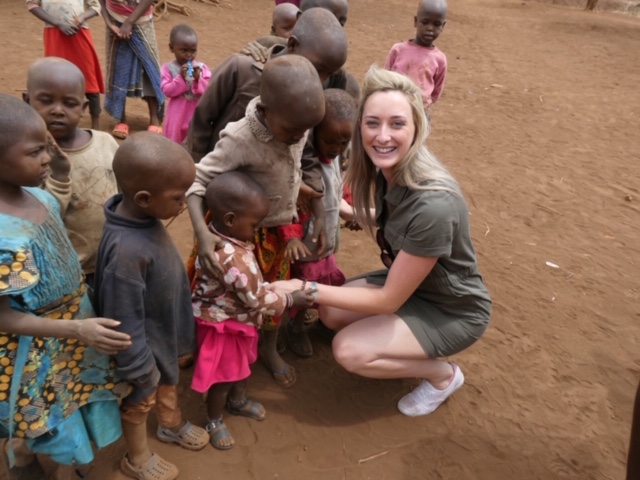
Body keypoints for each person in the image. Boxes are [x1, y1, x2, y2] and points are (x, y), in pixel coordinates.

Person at [269, 66, 491, 416]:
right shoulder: (389, 172)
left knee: (349, 350)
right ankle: (403, 342)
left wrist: (301, 286)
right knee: (330, 311)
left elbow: (389, 299)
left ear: (417, 126)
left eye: (397, 124)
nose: (382, 136)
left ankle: (442, 375)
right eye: (372, 123)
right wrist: (342, 209)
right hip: (416, 288)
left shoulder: (434, 204)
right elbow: (395, 217)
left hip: (452, 309)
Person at [0, 94, 131, 477]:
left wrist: (58, 171)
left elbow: (53, 215)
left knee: (71, 402)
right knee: (46, 416)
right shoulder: (5, 237)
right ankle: (25, 459)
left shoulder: (38, 195)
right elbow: (3, 317)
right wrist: (77, 328)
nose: (46, 157)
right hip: (35, 350)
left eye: (47, 148)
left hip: (69, 333)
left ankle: (58, 464)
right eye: (35, 151)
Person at [186, 55, 326, 389]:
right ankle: (205, 346)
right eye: (293, 131)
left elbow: (290, 169)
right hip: (237, 237)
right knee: (223, 299)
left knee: (270, 295)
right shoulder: (238, 139)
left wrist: (314, 208)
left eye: (305, 131)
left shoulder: (295, 123)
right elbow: (195, 183)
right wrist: (203, 234)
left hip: (277, 234)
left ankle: (266, 346)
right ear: (265, 112)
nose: (299, 137)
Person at [94, 133, 208, 480]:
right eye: (178, 197)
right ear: (144, 198)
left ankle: (170, 424)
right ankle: (137, 457)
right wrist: (138, 365)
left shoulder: (144, 218)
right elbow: (122, 317)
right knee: (140, 400)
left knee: (169, 381)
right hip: (142, 350)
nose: (183, 202)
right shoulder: (126, 251)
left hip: (163, 337)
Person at [191, 172, 315, 450]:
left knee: (242, 367)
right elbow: (256, 300)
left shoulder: (219, 236)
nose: (258, 230)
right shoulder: (232, 258)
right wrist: (291, 299)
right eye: (255, 224)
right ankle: (214, 419)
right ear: (232, 219)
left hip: (237, 322)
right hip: (223, 327)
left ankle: (237, 402)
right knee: (223, 378)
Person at [186, 7, 347, 163]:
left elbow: (307, 144)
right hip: (218, 175)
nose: (320, 81)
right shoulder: (242, 69)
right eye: (318, 70)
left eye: (329, 75)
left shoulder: (313, 92)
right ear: (292, 45)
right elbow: (202, 120)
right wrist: (196, 171)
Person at [24, 57, 119, 284]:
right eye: (46, 101)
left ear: (84, 107)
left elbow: (125, 194)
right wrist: (58, 176)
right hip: (61, 274)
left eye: (69, 103)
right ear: (27, 101)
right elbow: (38, 220)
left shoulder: (105, 143)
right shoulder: (23, 159)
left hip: (111, 262)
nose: (58, 110)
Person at [285, 89, 357, 357]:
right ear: (313, 132)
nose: (336, 148)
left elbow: (338, 185)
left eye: (344, 142)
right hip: (306, 243)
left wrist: (347, 205)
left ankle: (325, 322)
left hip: (326, 242)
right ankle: (295, 326)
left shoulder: (338, 156)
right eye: (329, 141)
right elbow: (293, 205)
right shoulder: (304, 163)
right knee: (305, 286)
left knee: (327, 285)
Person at [26, 0, 105, 130]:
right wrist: (58, 23)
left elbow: (96, 7)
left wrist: (82, 17)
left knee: (89, 79)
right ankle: (50, 123)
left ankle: (95, 126)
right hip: (54, 33)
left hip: (78, 32)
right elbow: (32, 5)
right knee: (53, 77)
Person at [98, 0, 164, 139]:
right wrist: (109, 23)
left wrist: (129, 22)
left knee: (148, 67)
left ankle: (154, 118)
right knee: (117, 69)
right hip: (114, 20)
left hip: (141, 21)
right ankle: (121, 119)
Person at [385, 0, 447, 110]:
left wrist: (424, 105)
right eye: (425, 22)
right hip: (395, 106)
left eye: (436, 24)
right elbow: (386, 79)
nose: (430, 28)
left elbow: (436, 91)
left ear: (443, 26)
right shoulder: (398, 50)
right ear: (415, 21)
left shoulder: (440, 59)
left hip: (421, 111)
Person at [161, 24, 211, 145]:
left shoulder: (201, 68)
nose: (189, 55)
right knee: (174, 144)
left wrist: (198, 78)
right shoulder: (168, 69)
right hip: (176, 117)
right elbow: (166, 90)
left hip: (195, 116)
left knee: (194, 143)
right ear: (172, 48)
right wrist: (180, 78)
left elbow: (210, 89)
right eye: (184, 50)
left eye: (193, 51)